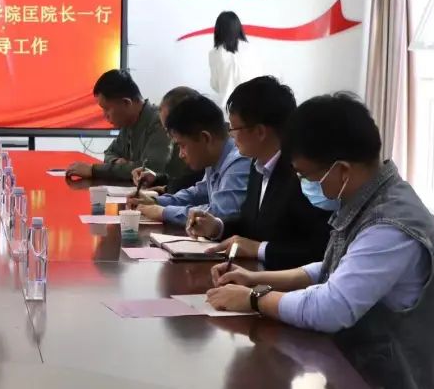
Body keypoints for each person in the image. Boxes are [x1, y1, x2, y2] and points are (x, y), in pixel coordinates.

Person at [205, 94, 434, 389]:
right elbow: (331, 269)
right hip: (366, 387)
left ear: (341, 170)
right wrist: (256, 280)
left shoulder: (390, 224)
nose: (304, 184)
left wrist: (254, 299)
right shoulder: (367, 198)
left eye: (306, 176)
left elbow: (332, 307)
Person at [187, 76, 331, 270]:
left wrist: (260, 249)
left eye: (234, 128)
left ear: (260, 132)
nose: (231, 135)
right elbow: (252, 227)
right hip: (251, 274)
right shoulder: (257, 165)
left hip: (287, 282)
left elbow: (319, 250)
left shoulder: (303, 174)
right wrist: (217, 227)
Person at [130, 94, 249, 226]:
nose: (181, 154)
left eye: (182, 145)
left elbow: (219, 213)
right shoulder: (214, 160)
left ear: (205, 138)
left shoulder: (239, 162)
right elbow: (197, 194)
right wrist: (156, 201)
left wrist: (163, 212)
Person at [65, 69, 169, 182]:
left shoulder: (160, 122)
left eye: (107, 109)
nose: (105, 115)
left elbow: (148, 170)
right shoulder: (128, 123)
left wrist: (93, 170)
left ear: (126, 103)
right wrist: (116, 162)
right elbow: (109, 153)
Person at [130, 86, 205, 195]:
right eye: (166, 129)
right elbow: (185, 183)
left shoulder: (201, 150)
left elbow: (189, 185)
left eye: (170, 129)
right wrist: (157, 179)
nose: (169, 136)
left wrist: (162, 193)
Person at [209, 11, 261, 110]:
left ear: (218, 30)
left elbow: (215, 84)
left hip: (226, 107)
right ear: (238, 27)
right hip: (252, 105)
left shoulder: (214, 54)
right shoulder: (251, 49)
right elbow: (259, 78)